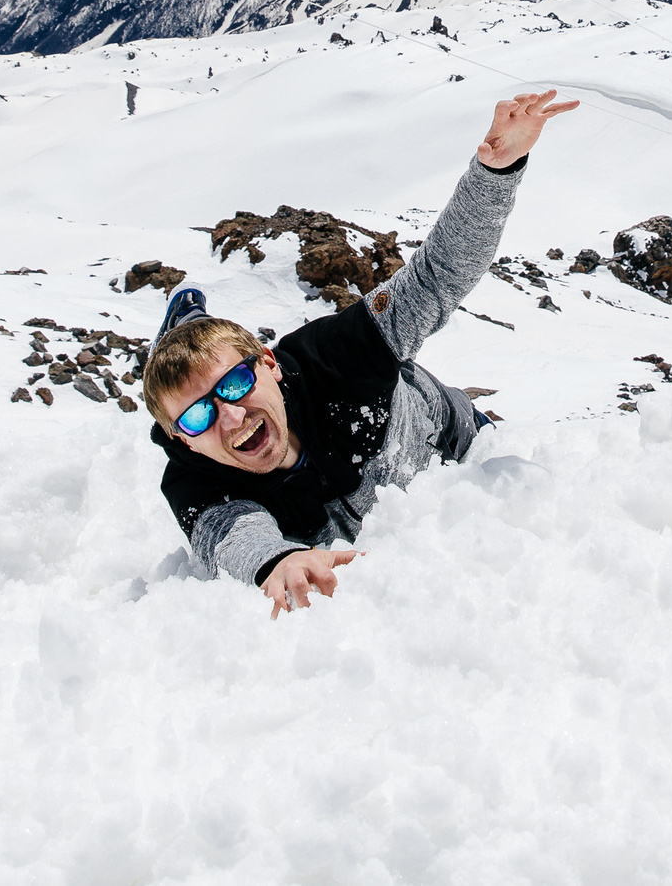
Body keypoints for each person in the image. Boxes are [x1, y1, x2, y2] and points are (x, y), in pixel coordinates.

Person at [141, 89, 577, 616]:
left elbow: (436, 278)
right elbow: (228, 536)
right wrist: (276, 561)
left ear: (271, 364)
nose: (230, 416)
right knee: (189, 379)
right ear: (179, 441)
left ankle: (190, 325)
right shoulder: (194, 476)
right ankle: (185, 330)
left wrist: (496, 173)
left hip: (455, 443)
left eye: (234, 383)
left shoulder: (335, 356)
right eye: (197, 415)